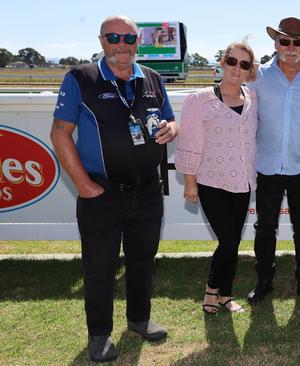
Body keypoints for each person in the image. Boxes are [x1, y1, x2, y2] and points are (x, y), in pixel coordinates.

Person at [50, 15, 178, 362]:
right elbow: (60, 133)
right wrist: (84, 185)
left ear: (139, 42)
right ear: (102, 40)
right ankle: (100, 334)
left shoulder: (151, 78)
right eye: (113, 37)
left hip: (148, 191)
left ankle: (139, 319)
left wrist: (172, 129)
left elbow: (170, 118)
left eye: (128, 38)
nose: (121, 44)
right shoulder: (81, 77)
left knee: (142, 261)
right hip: (102, 194)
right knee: (100, 267)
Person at [246, 17, 300, 305]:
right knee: (265, 228)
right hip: (266, 166)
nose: (291, 47)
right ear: (276, 43)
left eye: (297, 43)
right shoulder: (258, 75)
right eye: (285, 41)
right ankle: (263, 283)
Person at [175, 42, 257, 314]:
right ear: (222, 62)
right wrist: (190, 181)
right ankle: (212, 291)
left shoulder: (253, 99)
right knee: (229, 239)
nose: (237, 68)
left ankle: (226, 295)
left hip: (242, 182)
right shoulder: (199, 100)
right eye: (233, 61)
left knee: (231, 240)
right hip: (211, 182)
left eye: (244, 64)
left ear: (249, 71)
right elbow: (189, 142)